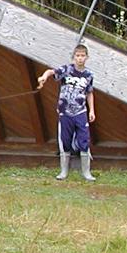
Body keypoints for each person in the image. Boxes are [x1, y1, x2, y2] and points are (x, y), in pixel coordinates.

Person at [36, 43, 97, 182]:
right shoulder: (66, 69)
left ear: (87, 57)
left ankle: (86, 172)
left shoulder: (89, 75)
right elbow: (51, 72)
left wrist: (92, 110)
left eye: (82, 56)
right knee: (65, 140)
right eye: (77, 56)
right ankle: (63, 171)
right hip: (65, 112)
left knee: (84, 140)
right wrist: (43, 77)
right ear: (73, 57)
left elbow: (90, 93)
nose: (80, 58)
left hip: (81, 112)